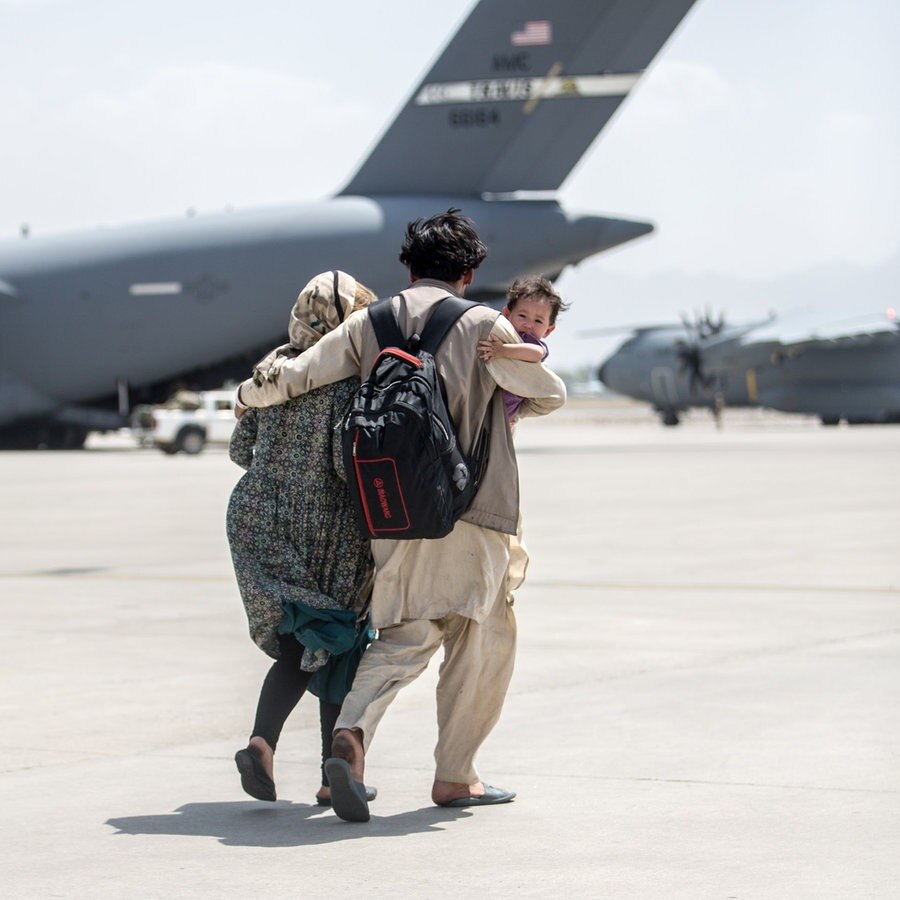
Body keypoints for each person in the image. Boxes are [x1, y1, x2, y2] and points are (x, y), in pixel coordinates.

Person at [234, 209, 566, 822]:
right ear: (468, 273)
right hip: (472, 510)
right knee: (482, 634)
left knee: (404, 634)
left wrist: (248, 396)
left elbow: (299, 375)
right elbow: (550, 391)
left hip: (390, 512)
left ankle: (352, 734)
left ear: (408, 267)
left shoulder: (371, 320)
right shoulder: (485, 324)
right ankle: (456, 777)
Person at [228, 270, 377, 807]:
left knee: (300, 641)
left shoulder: (274, 366)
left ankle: (262, 744)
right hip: (325, 526)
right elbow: (345, 463)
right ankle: (332, 771)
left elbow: (241, 450)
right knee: (337, 641)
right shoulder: (348, 376)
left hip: (257, 515)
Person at [477, 275, 569, 422]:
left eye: (538, 321)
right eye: (522, 316)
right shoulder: (506, 334)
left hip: (508, 407)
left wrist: (502, 350)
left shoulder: (530, 343)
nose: (528, 324)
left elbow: (536, 354)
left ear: (548, 330)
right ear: (507, 314)